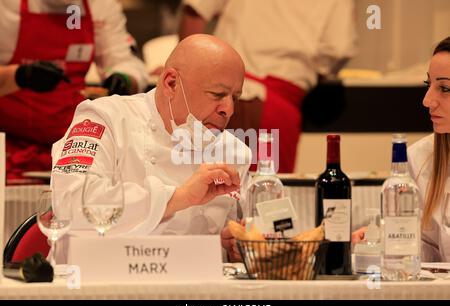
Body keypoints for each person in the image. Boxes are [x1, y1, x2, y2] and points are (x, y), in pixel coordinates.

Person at [51, 34, 251, 261]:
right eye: (217, 94)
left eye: (235, 97)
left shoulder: (234, 152)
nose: (229, 109)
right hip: (97, 286)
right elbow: (70, 204)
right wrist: (178, 197)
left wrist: (236, 248)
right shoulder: (104, 119)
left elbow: (250, 232)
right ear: (171, 83)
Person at [179, 0, 358, 172]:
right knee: (267, 195)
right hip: (277, 106)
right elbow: (339, 48)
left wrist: (188, 67)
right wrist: (320, 68)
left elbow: (196, 9)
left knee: (202, 187)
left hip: (218, 94)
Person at [0, 0, 148, 181]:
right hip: (7, 150)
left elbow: (124, 60)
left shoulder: (98, 6)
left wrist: (125, 78)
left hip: (73, 152)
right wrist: (19, 75)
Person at [408, 36, 450, 262]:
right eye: (429, 85)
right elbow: (426, 257)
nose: (427, 100)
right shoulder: (419, 157)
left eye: (444, 88)